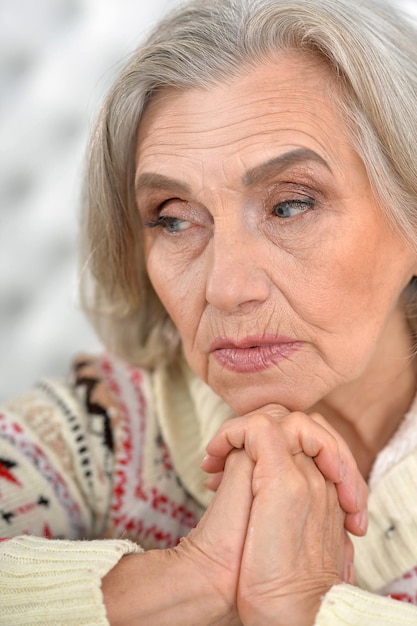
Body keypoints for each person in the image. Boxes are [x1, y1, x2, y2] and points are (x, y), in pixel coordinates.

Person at [2, 0, 417, 622]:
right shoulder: (94, 426)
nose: (225, 288)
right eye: (173, 219)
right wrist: (191, 576)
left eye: (290, 205)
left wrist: (304, 609)